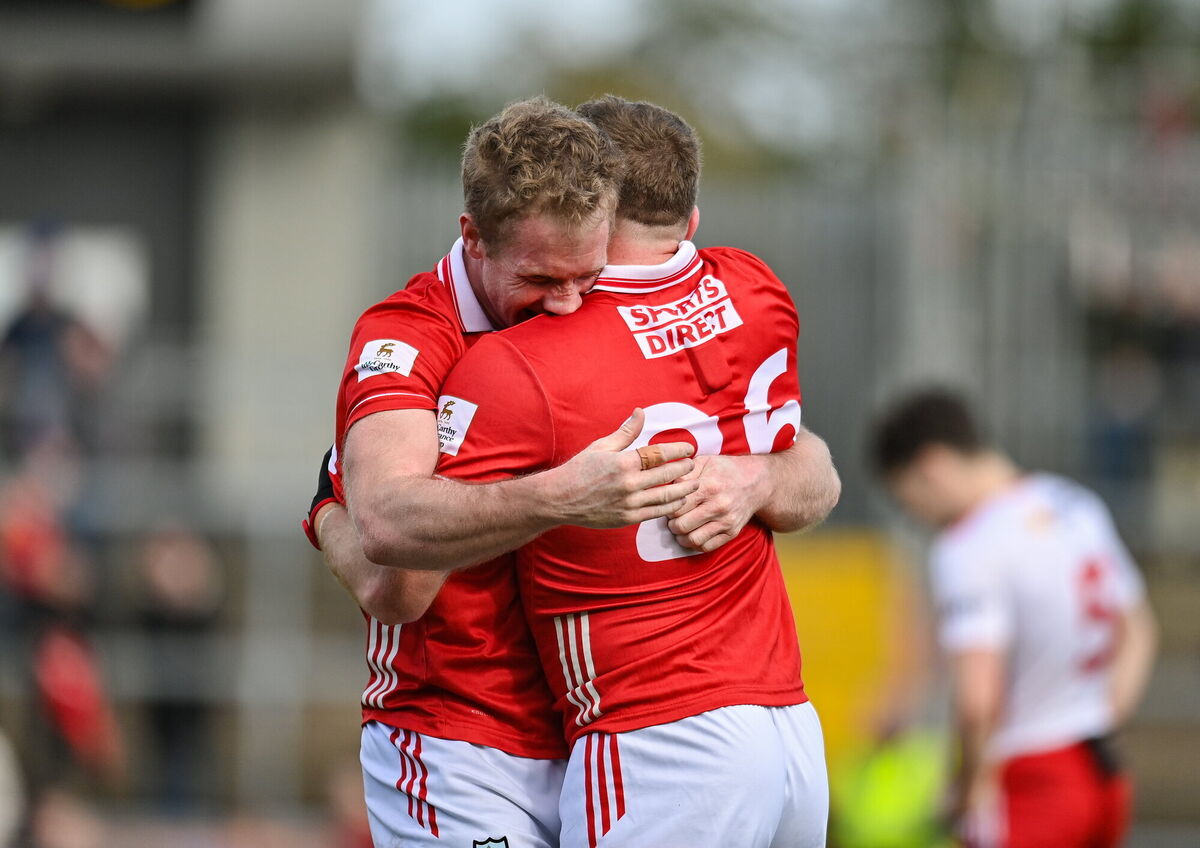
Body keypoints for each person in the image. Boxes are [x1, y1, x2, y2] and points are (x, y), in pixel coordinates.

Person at [309, 95, 840, 846]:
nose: (565, 305)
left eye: (584, 275)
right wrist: (331, 507)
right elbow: (394, 572)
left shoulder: (594, 330)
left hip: (594, 734)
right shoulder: (408, 337)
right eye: (540, 278)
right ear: (476, 239)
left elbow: (811, 462)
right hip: (462, 739)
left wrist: (755, 478)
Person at [869, 389, 1158, 848]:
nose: (917, 518)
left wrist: (965, 792)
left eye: (909, 502)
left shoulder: (969, 544)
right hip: (1104, 773)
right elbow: (1138, 630)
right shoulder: (1074, 503)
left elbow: (977, 699)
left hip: (1032, 783)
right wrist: (1100, 716)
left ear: (932, 467)